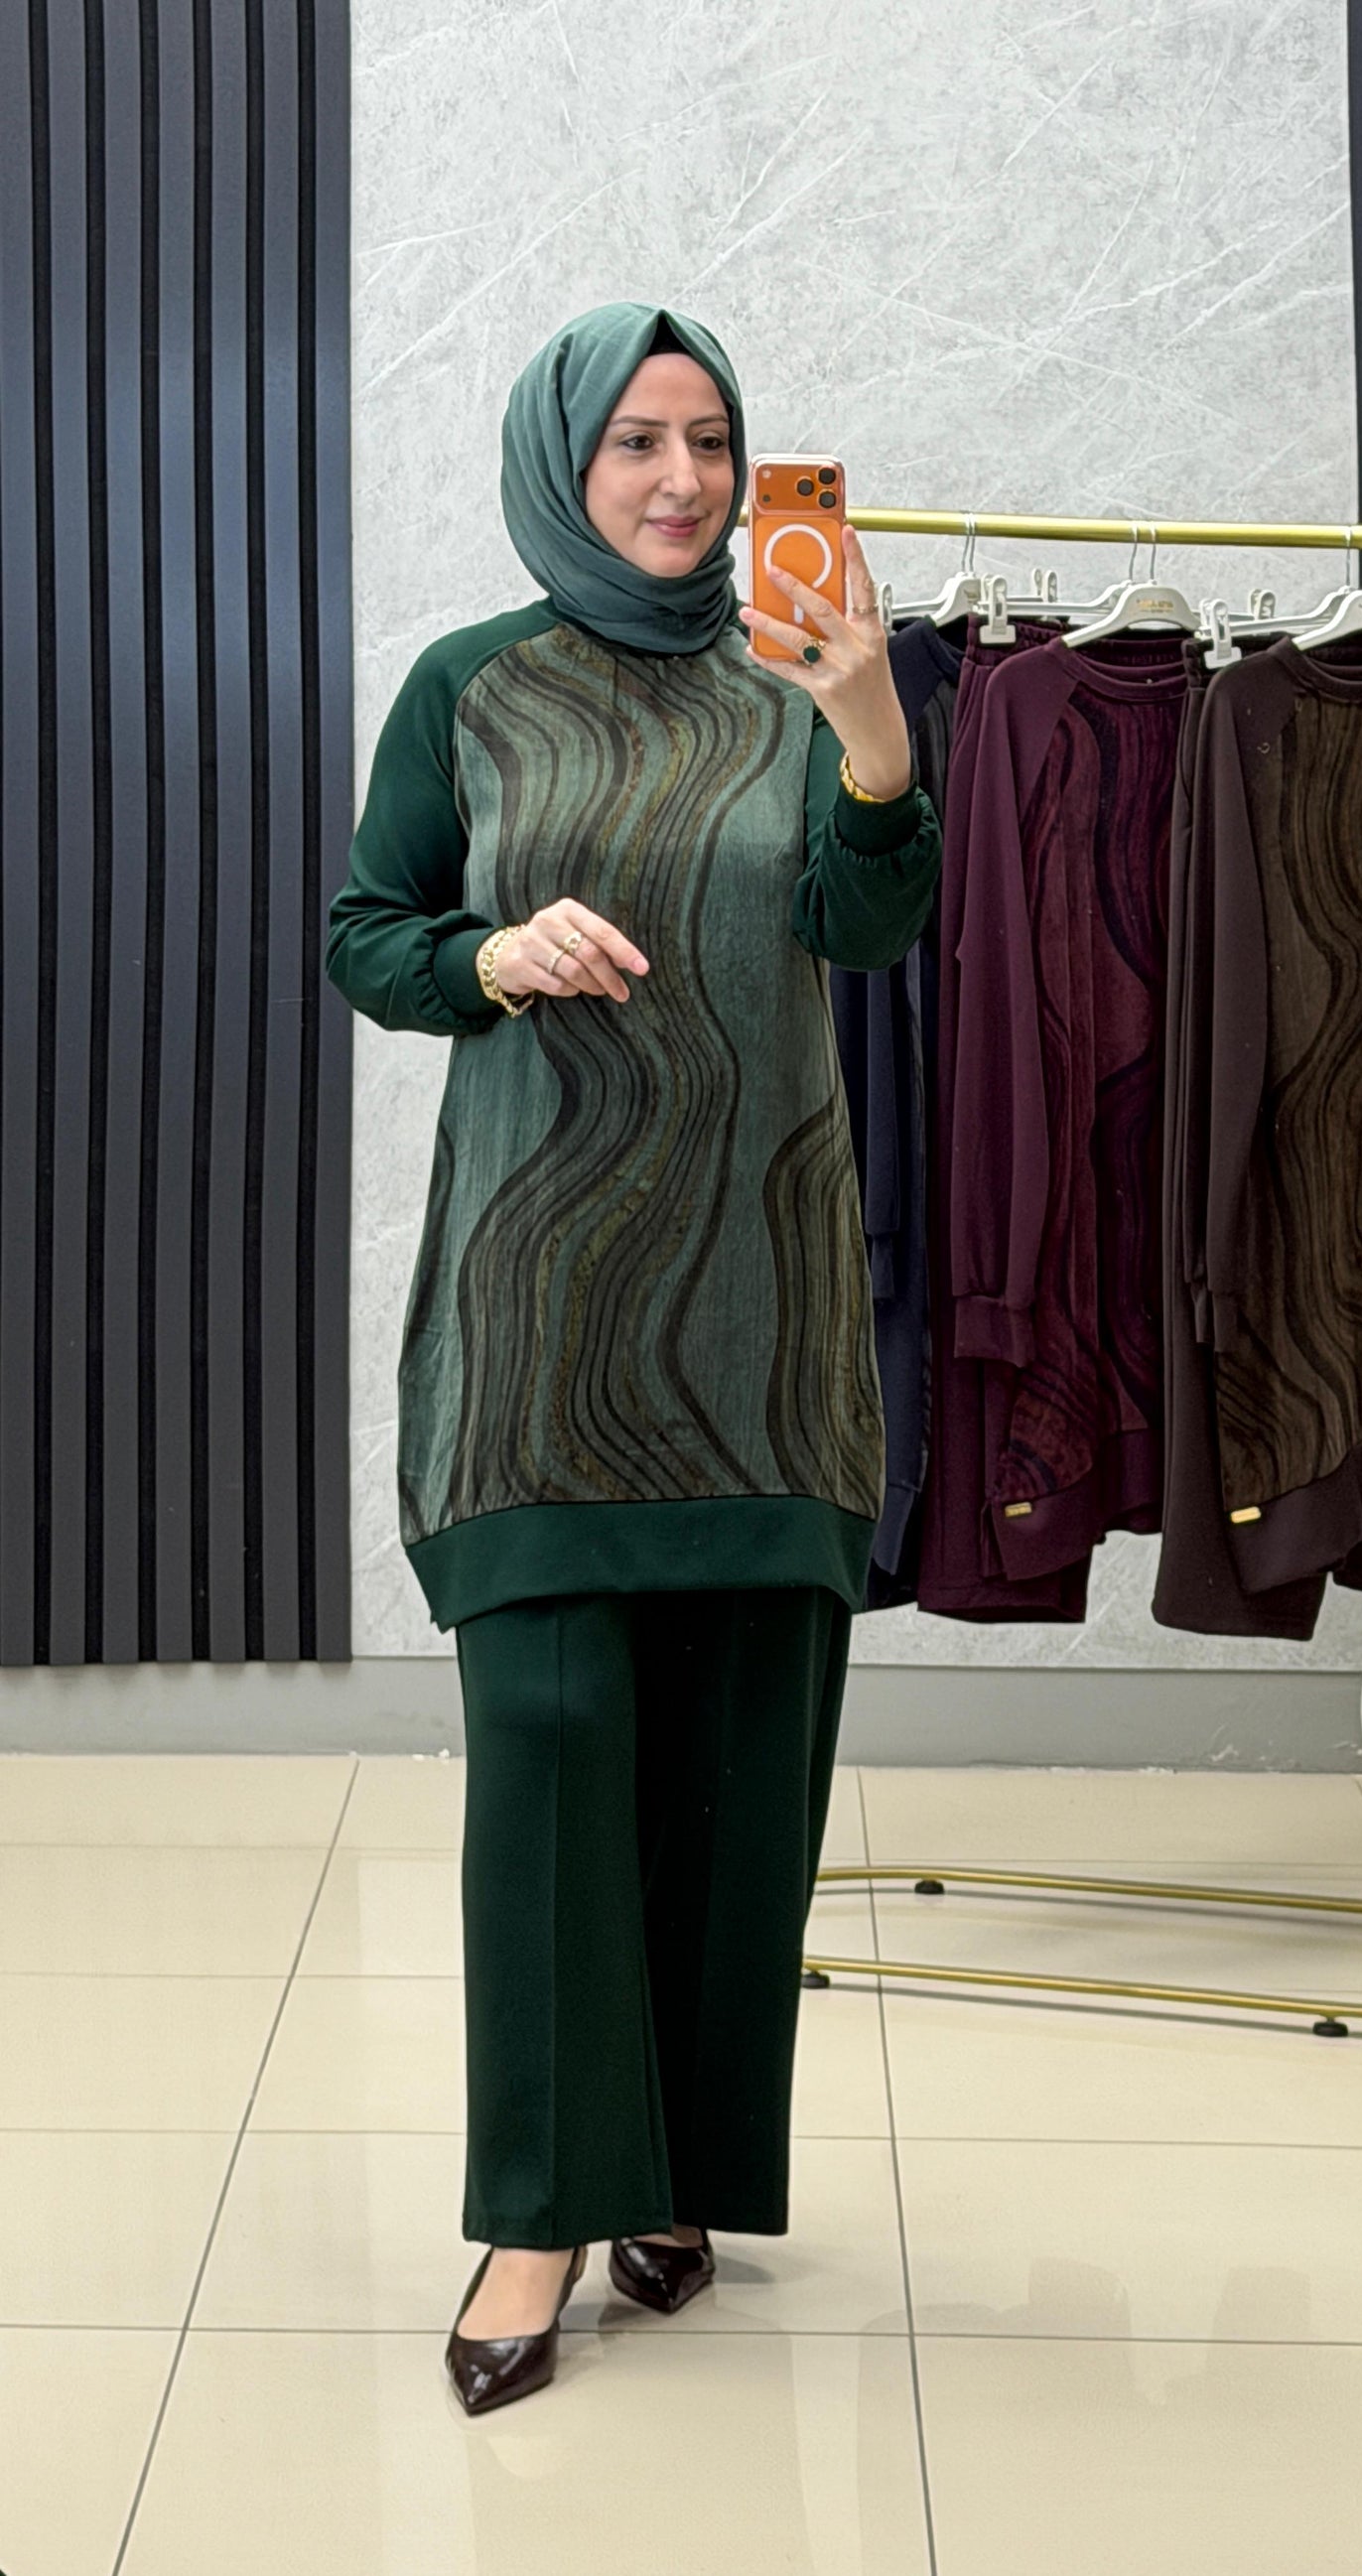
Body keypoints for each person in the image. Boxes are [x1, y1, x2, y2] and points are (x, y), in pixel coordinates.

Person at [325, 301, 940, 2416]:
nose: (682, 480)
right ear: (563, 464)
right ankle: (540, 2209)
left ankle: (673, 2171)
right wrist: (489, 951)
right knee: (555, 1751)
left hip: (763, 1306)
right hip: (539, 1313)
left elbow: (871, 925)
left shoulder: (802, 681)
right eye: (636, 444)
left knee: (734, 1775)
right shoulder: (466, 687)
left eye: (711, 439)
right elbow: (369, 932)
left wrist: (871, 734)